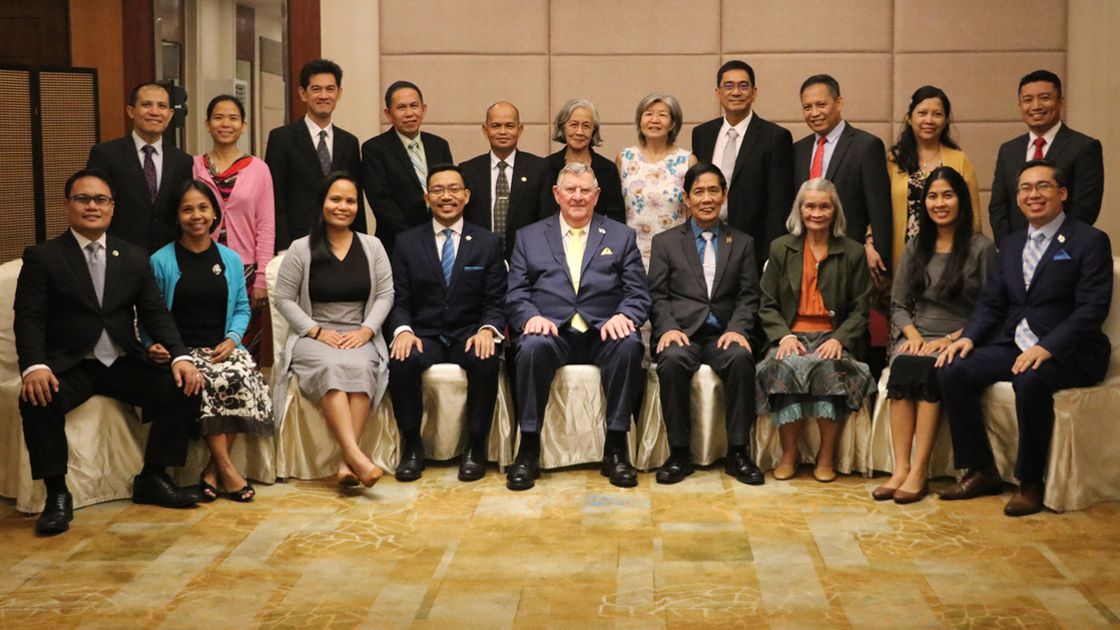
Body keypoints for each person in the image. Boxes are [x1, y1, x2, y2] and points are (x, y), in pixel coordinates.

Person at [15, 169, 204, 535]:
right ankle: (57, 494)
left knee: (185, 384)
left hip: (120, 361)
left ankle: (153, 476)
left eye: (100, 200)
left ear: (112, 208)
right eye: (83, 199)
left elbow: (155, 313)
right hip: (70, 365)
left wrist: (181, 356)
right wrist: (34, 365)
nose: (92, 206)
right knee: (36, 399)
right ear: (66, 205)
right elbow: (30, 318)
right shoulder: (43, 256)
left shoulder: (132, 257)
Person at [936, 160, 1113, 517]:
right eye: (1025, 189)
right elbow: (992, 302)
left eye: (1043, 187)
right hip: (1017, 343)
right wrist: (968, 338)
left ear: (1062, 194)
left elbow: (1092, 309)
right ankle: (980, 469)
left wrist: (1047, 347)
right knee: (952, 369)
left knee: (1029, 379)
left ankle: (1030, 482)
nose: (1033, 195)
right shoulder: (1012, 244)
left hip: (1071, 351)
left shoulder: (1089, 240)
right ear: (1017, 198)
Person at [506, 162, 650, 491]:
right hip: (551, 331)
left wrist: (624, 316)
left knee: (629, 344)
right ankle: (528, 449)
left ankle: (615, 448)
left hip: (603, 331)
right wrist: (530, 317)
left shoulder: (621, 235)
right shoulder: (529, 237)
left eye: (585, 190)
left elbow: (638, 294)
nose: (578, 196)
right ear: (557, 194)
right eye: (570, 189)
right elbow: (515, 293)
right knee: (529, 346)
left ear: (597, 195)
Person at [873, 167, 995, 504]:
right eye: (932, 196)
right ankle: (900, 468)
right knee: (904, 365)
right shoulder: (916, 246)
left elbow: (991, 308)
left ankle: (920, 470)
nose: (939, 203)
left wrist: (954, 337)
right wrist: (911, 334)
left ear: (962, 200)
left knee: (928, 367)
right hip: (917, 334)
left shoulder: (982, 248)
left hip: (960, 337)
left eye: (947, 195)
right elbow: (897, 304)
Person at [147, 180, 274, 502]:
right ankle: (228, 471)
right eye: (187, 209)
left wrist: (233, 340)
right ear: (177, 216)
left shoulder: (230, 259)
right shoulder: (161, 261)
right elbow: (151, 312)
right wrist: (153, 345)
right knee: (210, 381)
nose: (196, 216)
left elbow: (243, 307)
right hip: (183, 351)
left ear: (215, 213)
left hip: (222, 345)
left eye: (203, 208)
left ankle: (212, 471)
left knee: (243, 375)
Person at [272, 172, 394, 489]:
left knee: (365, 365)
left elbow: (385, 295)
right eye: (335, 199)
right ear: (322, 203)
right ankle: (356, 455)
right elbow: (283, 298)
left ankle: (345, 462)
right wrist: (315, 331)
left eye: (351, 201)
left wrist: (367, 331)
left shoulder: (373, 246)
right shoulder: (300, 249)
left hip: (359, 330)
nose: (343, 206)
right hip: (313, 334)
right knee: (330, 367)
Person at [387, 164, 507, 482]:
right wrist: (402, 331)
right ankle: (412, 445)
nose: (446, 196)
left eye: (454, 189)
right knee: (401, 359)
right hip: (423, 333)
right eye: (438, 190)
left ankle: (476, 446)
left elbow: (496, 301)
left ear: (466, 196)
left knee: (485, 358)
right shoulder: (407, 242)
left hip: (468, 333)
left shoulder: (488, 243)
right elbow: (399, 299)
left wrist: (486, 330)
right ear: (427, 198)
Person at [647, 163, 761, 485]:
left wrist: (738, 329)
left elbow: (749, 296)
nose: (706, 198)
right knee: (670, 361)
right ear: (686, 198)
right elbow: (656, 295)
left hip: (724, 333)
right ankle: (679, 453)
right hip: (682, 333)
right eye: (699, 191)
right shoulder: (666, 242)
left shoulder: (741, 242)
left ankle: (738, 453)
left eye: (713, 191)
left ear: (724, 195)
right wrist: (668, 328)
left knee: (741, 359)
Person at [756, 178, 874, 482]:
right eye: (810, 206)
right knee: (784, 365)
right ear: (800, 209)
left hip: (833, 336)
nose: (817, 212)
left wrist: (839, 339)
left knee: (827, 365)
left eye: (824, 206)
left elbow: (861, 310)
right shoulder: (781, 248)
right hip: (790, 334)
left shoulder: (853, 251)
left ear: (834, 211)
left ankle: (826, 456)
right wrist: (784, 335)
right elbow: (766, 304)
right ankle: (789, 454)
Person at [193, 94, 275, 358]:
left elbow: (266, 225)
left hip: (247, 269)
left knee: (244, 343)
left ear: (244, 125)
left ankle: (242, 396)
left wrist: (262, 275)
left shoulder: (259, 169)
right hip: (201, 262)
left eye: (233, 118)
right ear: (207, 124)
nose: (225, 124)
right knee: (205, 331)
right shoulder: (193, 166)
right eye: (218, 117)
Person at [692, 60, 794, 270]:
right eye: (728, 86)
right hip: (707, 242)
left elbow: (779, 204)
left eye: (743, 86)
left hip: (754, 249)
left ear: (754, 93)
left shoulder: (775, 137)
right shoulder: (702, 134)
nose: (735, 92)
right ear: (718, 93)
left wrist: (770, 257)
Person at [794, 74, 893, 281]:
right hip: (805, 259)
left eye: (821, 105)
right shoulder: (797, 150)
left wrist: (877, 252)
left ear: (839, 102)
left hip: (851, 259)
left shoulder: (866, 146)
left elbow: (879, 210)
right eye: (807, 107)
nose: (814, 113)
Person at [988, 70, 1105, 242]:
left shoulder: (1084, 147)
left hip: (1064, 252)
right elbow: (999, 206)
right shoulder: (1008, 150)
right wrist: (1010, 248)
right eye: (1028, 100)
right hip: (1017, 252)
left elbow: (1085, 208)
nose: (1036, 106)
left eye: (1044, 98)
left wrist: (1053, 247)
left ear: (1060, 102)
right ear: (1020, 105)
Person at [266, 59, 364, 252]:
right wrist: (283, 248)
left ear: (339, 93)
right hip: (297, 243)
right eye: (316, 89)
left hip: (341, 242)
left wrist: (359, 245)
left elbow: (355, 196)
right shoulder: (281, 138)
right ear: (303, 94)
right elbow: (275, 198)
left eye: (330, 89)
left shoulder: (349, 142)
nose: (324, 96)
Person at [86, 82, 193, 253]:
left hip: (168, 258)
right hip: (118, 255)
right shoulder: (106, 154)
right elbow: (94, 207)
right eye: (146, 105)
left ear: (170, 114)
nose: (155, 112)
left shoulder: (183, 161)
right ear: (131, 111)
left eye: (162, 106)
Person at [887, 86, 981, 272]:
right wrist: (871, 241)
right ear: (909, 117)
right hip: (902, 255)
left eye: (937, 114)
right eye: (922, 113)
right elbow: (879, 210)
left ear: (946, 120)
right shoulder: (893, 160)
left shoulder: (958, 160)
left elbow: (974, 217)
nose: (929, 120)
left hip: (949, 259)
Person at [362, 81, 454, 255]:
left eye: (414, 106)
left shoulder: (439, 145)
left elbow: (448, 190)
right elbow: (381, 202)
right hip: (397, 242)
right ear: (388, 114)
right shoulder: (375, 149)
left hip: (440, 240)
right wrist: (415, 237)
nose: (409, 113)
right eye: (401, 107)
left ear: (424, 109)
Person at [616, 93, 697, 269]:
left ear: (673, 124)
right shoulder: (625, 158)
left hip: (675, 256)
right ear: (640, 121)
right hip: (630, 256)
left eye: (662, 114)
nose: (654, 120)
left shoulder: (687, 160)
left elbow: (692, 215)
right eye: (648, 114)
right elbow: (615, 211)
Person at [459, 101, 548, 260]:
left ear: (520, 130)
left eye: (509, 126)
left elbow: (546, 222)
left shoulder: (539, 169)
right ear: (485, 130)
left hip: (526, 260)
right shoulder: (468, 170)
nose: (502, 131)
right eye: (495, 126)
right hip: (478, 260)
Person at [539, 99, 626, 224]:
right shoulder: (546, 167)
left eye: (586, 126)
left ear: (593, 131)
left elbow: (616, 219)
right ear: (563, 127)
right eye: (573, 124)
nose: (579, 132)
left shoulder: (607, 169)